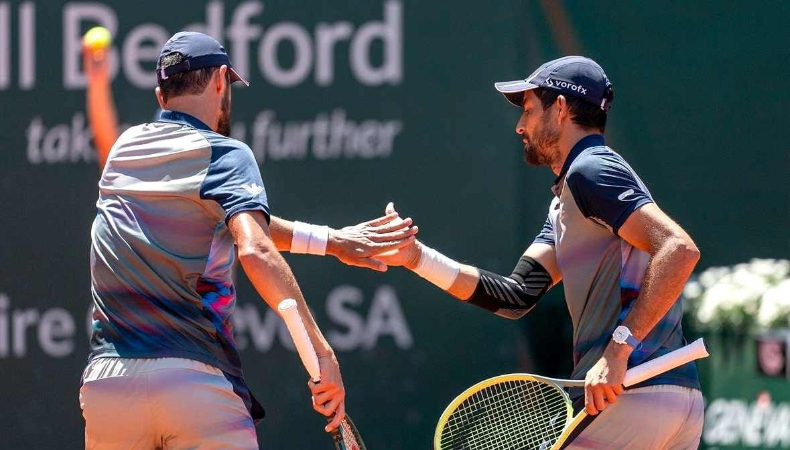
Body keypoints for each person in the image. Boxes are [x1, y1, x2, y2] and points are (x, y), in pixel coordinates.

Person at [80, 31, 416, 450]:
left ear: (161, 96)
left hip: (109, 387)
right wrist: (323, 354)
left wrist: (331, 240)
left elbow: (220, 221)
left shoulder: (124, 152)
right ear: (221, 80)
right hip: (195, 383)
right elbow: (253, 246)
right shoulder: (225, 155)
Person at [376, 56, 704, 449]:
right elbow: (517, 295)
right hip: (677, 402)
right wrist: (416, 257)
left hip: (631, 393)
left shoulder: (591, 170)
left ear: (561, 108)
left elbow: (679, 249)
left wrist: (618, 350)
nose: (520, 125)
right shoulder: (572, 195)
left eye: (530, 110)